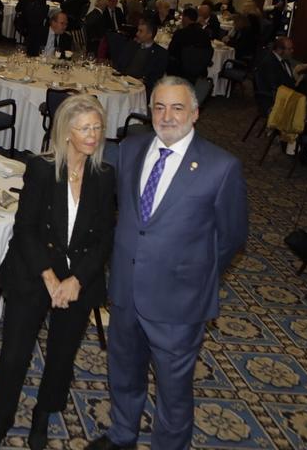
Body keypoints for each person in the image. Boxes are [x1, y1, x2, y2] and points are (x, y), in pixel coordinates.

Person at [88, 77, 247, 450]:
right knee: (123, 371)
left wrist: (194, 278)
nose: (167, 116)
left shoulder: (222, 167)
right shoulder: (131, 148)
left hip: (179, 302)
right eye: (159, 107)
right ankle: (122, 435)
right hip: (126, 291)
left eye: (177, 108)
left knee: (173, 392)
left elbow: (232, 237)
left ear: (195, 113)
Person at [0, 95, 116, 450]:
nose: (93, 135)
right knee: (15, 353)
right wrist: (50, 277)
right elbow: (25, 229)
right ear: (66, 132)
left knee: (62, 354)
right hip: (34, 271)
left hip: (78, 278)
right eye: (84, 128)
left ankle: (43, 413)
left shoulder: (105, 175)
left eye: (97, 128)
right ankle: (3, 416)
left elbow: (105, 237)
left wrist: (77, 280)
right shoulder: (41, 169)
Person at [120, 19, 168, 94]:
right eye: (138, 30)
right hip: (122, 83)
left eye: (141, 31)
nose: (137, 33)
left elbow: (155, 78)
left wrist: (143, 81)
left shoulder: (160, 53)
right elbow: (120, 65)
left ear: (150, 34)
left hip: (141, 89)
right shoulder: (132, 45)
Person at [166, 7, 212, 80]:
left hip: (180, 71)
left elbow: (171, 51)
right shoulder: (205, 34)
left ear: (186, 18)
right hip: (200, 70)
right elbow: (209, 51)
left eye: (183, 17)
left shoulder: (180, 33)